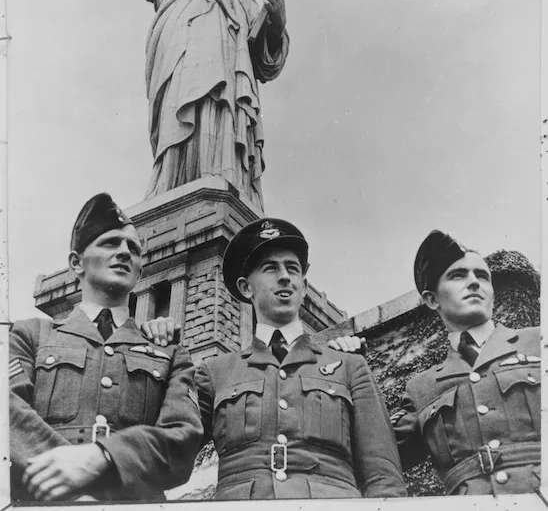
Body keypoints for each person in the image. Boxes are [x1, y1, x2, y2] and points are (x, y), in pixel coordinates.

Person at [143, 217, 407, 500]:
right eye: (271, 268)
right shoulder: (216, 372)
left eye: (292, 269)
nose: (285, 276)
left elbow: (384, 477)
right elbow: (168, 455)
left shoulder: (349, 365)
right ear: (246, 288)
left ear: (303, 287)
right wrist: (158, 360)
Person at [9, 193, 203, 503]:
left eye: (134, 249)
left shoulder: (170, 353)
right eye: (110, 243)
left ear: (140, 271)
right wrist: (63, 473)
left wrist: (104, 459)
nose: (125, 253)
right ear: (76, 263)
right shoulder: (31, 334)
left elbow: (183, 437)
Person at [133, 0, 289, 207]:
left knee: (217, 125)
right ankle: (172, 184)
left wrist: (277, 21)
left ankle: (221, 175)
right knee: (178, 129)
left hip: (224, 79)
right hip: (179, 73)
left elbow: (262, 53)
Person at [389, 230, 540, 495]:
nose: (474, 283)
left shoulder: (538, 342)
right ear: (432, 300)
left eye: (482, 276)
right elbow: (377, 459)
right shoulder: (421, 387)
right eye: (458, 275)